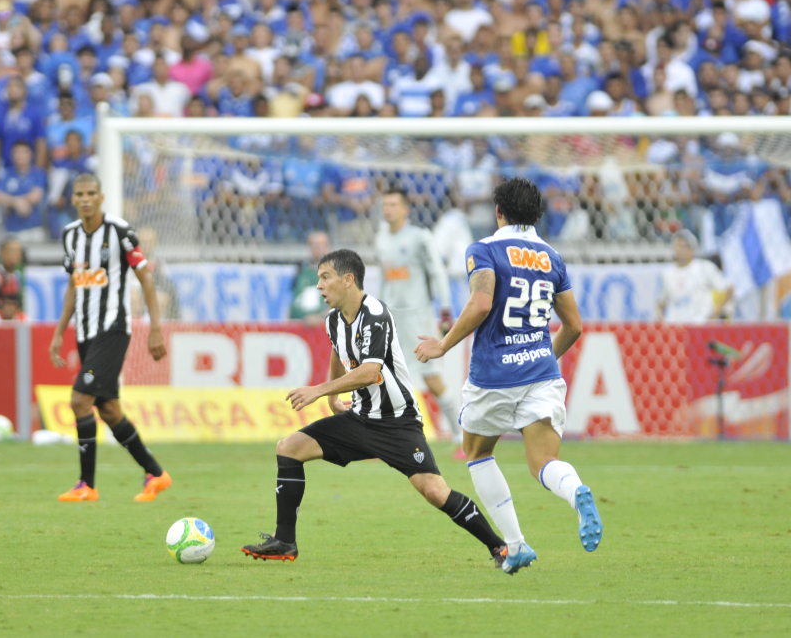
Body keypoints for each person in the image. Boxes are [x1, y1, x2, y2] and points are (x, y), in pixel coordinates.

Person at [240, 249, 508, 566]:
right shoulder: (334, 321)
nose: (319, 286)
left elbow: (371, 371)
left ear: (348, 279)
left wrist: (317, 390)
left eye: (325, 277)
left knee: (435, 492)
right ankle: (284, 541)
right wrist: (330, 399)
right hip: (359, 419)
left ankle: (499, 547)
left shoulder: (375, 314)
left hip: (397, 423)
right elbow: (338, 354)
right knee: (289, 448)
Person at [415, 177, 601, 574]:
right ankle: (576, 491)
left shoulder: (484, 249)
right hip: (542, 373)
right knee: (544, 462)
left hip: (494, 377)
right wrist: (539, 357)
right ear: (536, 215)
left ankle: (515, 545)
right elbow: (574, 325)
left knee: (478, 453)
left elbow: (481, 304)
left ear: (498, 212)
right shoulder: (551, 257)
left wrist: (443, 345)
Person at [49, 173, 171, 503]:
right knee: (110, 411)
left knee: (79, 401)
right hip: (85, 332)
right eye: (80, 194)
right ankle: (156, 475)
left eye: (91, 193)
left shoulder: (119, 232)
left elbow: (145, 278)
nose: (86, 199)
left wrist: (155, 327)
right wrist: (60, 332)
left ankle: (86, 485)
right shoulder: (70, 236)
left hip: (113, 329)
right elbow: (74, 286)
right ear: (72, 199)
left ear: (101, 197)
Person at [374, 188, 465, 459]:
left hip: (419, 317)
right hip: (393, 317)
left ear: (405, 209)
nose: (388, 209)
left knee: (432, 379)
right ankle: (381, 443)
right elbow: (385, 278)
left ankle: (462, 436)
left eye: (393, 204)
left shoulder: (419, 237)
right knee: (384, 377)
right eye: (385, 204)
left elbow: (437, 273)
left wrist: (445, 311)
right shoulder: (381, 238)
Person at [656, 231, 734, 323]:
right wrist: (662, 320)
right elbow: (660, 303)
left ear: (692, 249)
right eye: (678, 246)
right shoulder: (667, 273)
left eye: (684, 246)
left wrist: (713, 315)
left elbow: (729, 289)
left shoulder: (704, 267)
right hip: (676, 327)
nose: (681, 250)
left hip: (700, 326)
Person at [289, 230, 329, 326]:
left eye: (321, 244)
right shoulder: (301, 272)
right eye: (314, 245)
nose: (318, 248)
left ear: (328, 247)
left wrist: (319, 317)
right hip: (298, 324)